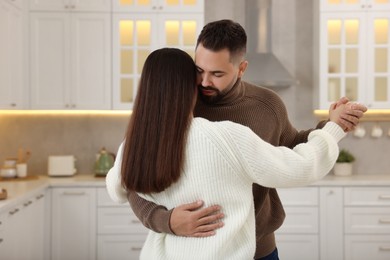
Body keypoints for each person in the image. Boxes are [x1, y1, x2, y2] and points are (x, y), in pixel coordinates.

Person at [109, 20, 367, 260]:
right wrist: (166, 220)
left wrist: (329, 126)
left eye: (217, 73)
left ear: (241, 68)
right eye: (199, 70)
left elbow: (292, 147)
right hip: (186, 243)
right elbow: (136, 179)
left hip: (259, 247)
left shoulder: (267, 105)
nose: (204, 81)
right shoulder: (175, 110)